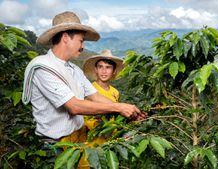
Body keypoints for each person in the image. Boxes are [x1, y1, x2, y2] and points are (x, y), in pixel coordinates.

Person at [21, 11, 141, 144]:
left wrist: (128, 109)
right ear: (65, 37)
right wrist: (119, 108)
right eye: (81, 41)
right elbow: (74, 106)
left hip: (77, 139)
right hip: (54, 144)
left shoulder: (75, 70)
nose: (83, 46)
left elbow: (95, 97)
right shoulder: (43, 68)